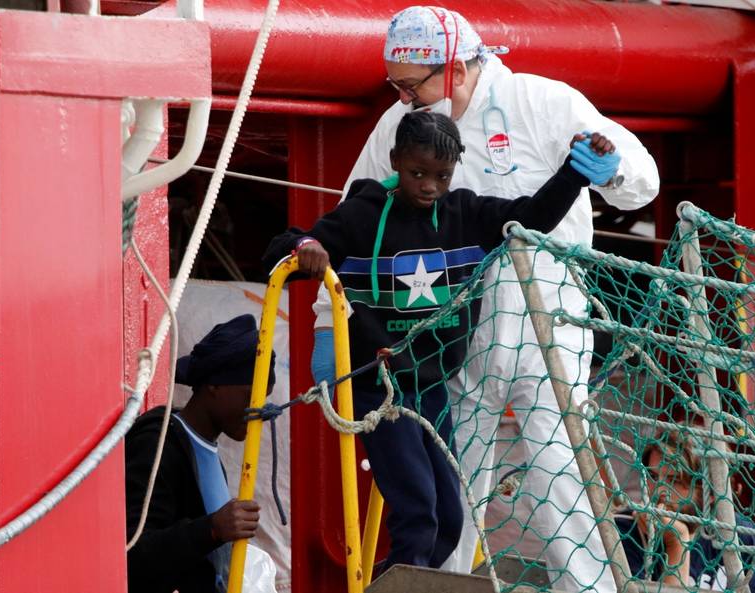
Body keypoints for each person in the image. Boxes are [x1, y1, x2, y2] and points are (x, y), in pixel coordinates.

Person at [309, 6, 660, 591]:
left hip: (546, 311)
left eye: (409, 83)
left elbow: (641, 181)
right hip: (447, 321)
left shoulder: (541, 102)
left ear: (453, 68)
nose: (400, 95)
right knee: (453, 473)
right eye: (393, 83)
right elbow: (353, 227)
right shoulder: (398, 127)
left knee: (558, 467)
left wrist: (608, 166)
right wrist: (330, 324)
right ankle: (437, 586)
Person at [263, 110, 605, 572]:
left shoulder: (464, 213)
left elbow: (530, 218)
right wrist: (305, 249)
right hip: (377, 386)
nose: (428, 186)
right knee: (419, 514)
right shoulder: (363, 216)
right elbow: (281, 246)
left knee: (449, 519)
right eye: (417, 173)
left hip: (430, 387)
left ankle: (389, 585)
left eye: (441, 176)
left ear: (455, 169)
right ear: (395, 162)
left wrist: (574, 174)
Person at [125, 314, 275, 593]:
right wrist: (212, 529)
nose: (258, 410)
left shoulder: (207, 449)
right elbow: (132, 554)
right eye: (250, 396)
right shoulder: (158, 444)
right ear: (214, 385)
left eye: (263, 399)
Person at [614, 430, 755, 592]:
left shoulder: (738, 535)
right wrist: (676, 543)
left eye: (674, 480)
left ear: (711, 492)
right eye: (652, 476)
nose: (657, 491)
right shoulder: (626, 528)